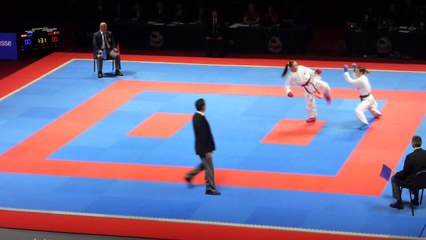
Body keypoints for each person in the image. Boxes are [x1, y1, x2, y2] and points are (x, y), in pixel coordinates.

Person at [185, 98, 220, 196]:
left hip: (201, 147)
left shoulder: (196, 116)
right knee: (209, 167)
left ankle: (189, 175)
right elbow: (203, 136)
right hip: (204, 148)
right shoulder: (200, 119)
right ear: (203, 106)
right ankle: (210, 188)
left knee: (205, 164)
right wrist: (208, 150)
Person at [390, 136, 426, 209]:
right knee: (417, 176)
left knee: (394, 179)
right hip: (424, 180)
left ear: (412, 143)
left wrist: (396, 173)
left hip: (413, 182)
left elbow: (404, 174)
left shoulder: (410, 157)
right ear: (421, 143)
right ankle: (416, 200)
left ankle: (399, 202)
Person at [343, 63, 381, 129]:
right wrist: (354, 69)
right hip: (370, 97)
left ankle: (365, 122)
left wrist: (346, 72)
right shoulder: (363, 77)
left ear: (360, 72)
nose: (356, 73)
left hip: (367, 99)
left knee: (358, 110)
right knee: (371, 108)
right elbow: (356, 77)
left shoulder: (361, 80)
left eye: (357, 71)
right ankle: (378, 114)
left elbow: (351, 81)